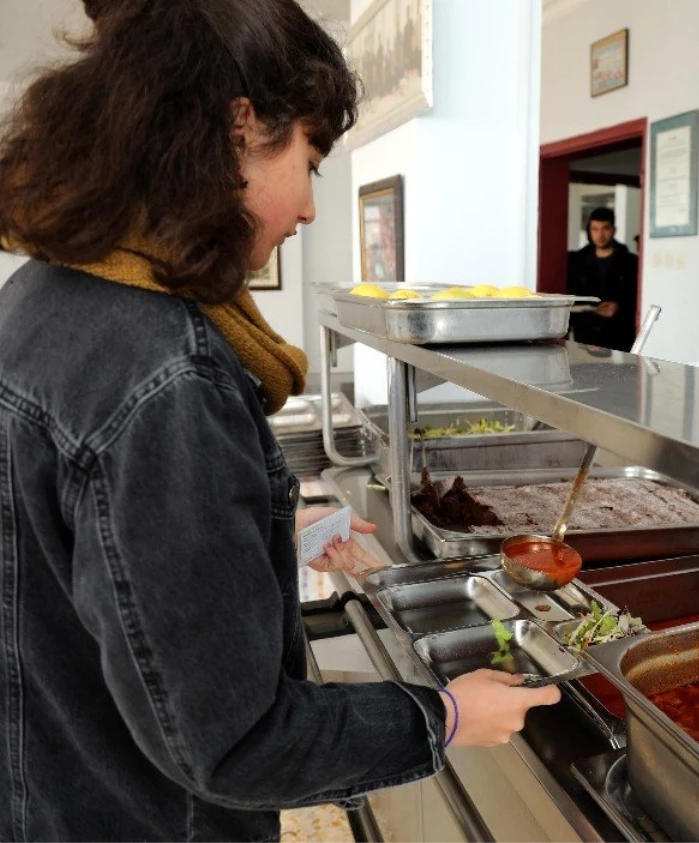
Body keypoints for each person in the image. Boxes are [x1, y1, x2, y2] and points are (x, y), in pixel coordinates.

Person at [0, 1, 558, 839]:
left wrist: (260, 529)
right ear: (238, 129)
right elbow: (234, 744)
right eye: (310, 158)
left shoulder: (45, 295)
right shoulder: (166, 377)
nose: (307, 209)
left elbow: (78, 559)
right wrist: (444, 716)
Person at [568, 207, 639, 351]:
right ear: (589, 230)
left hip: (618, 336)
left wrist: (619, 307)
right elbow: (568, 295)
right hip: (585, 338)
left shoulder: (631, 262)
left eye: (605, 228)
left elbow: (637, 297)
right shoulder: (576, 260)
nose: (600, 235)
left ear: (614, 230)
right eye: (595, 229)